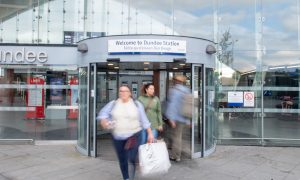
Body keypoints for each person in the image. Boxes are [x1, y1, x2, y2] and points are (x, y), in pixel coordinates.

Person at [97, 85, 154, 180]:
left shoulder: (136, 104)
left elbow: (144, 120)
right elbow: (103, 114)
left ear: (130, 93)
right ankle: (126, 177)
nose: (123, 93)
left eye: (125, 91)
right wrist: (104, 121)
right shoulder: (113, 104)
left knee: (132, 157)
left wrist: (150, 133)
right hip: (118, 136)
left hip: (134, 135)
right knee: (122, 159)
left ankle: (135, 165)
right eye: (121, 91)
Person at [165, 75, 191, 162]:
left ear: (175, 81)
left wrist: (170, 118)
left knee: (176, 137)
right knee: (181, 136)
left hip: (177, 119)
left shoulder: (174, 91)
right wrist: (188, 120)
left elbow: (172, 106)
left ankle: (176, 156)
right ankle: (183, 150)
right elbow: (189, 105)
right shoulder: (187, 90)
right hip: (184, 118)